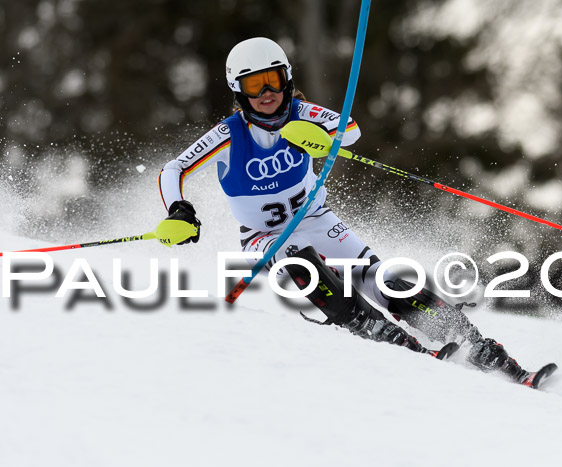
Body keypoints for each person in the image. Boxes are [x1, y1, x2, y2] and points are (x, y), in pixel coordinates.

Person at [158, 37, 531, 382]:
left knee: (378, 277)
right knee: (297, 259)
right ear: (240, 91)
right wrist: (178, 210)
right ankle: (368, 325)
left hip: (316, 219)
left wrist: (322, 138)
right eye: (255, 85)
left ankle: (470, 341)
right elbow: (173, 169)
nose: (268, 92)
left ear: (287, 78)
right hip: (264, 236)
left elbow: (349, 129)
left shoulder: (301, 112)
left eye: (273, 79)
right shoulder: (229, 135)